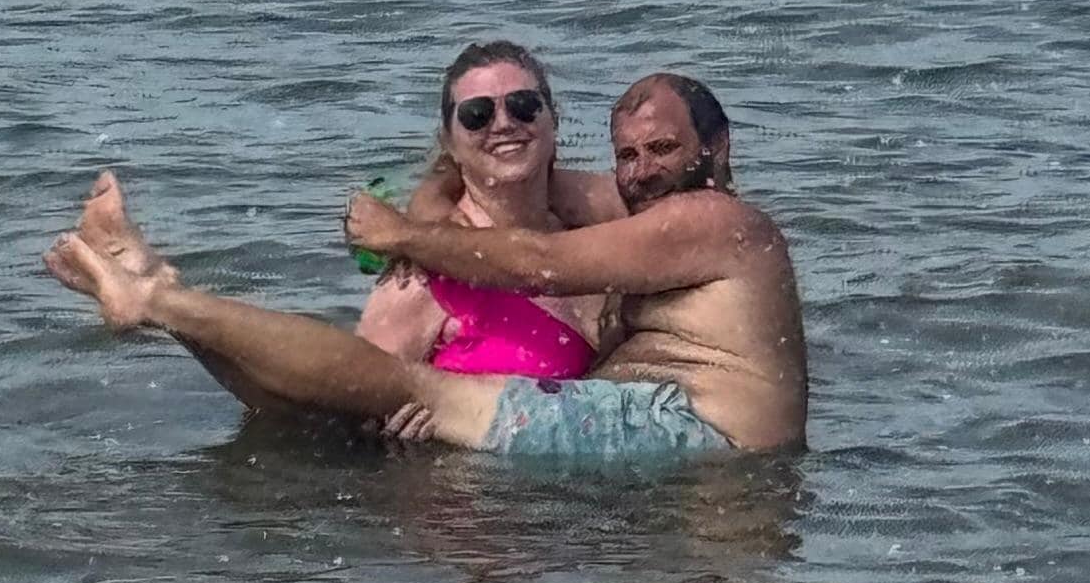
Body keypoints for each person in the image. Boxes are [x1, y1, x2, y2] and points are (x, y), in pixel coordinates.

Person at [43, 73, 806, 456]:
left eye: (662, 149)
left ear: (717, 148)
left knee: (403, 393)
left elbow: (539, 261)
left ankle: (157, 299)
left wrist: (404, 233)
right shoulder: (642, 206)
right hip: (652, 436)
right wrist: (431, 198)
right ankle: (158, 289)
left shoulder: (716, 220)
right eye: (627, 155)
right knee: (346, 410)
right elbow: (514, 184)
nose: (640, 171)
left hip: (700, 439)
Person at [355, 40, 622, 380]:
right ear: (449, 141)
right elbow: (362, 391)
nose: (504, 124)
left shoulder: (595, 240)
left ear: (553, 119)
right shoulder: (422, 275)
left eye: (523, 105)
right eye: (477, 114)